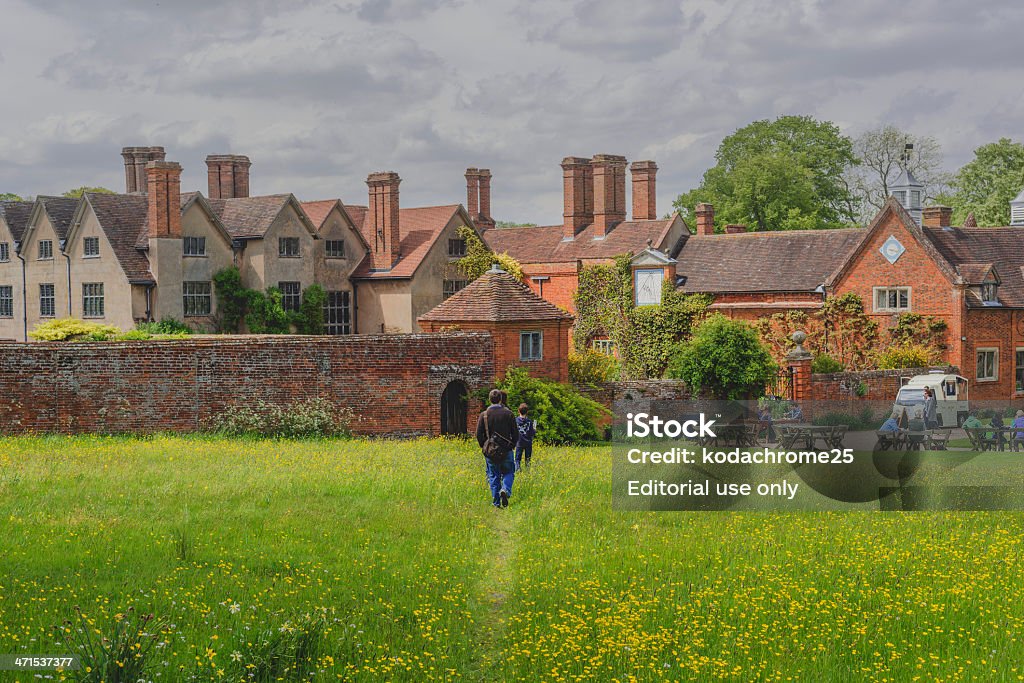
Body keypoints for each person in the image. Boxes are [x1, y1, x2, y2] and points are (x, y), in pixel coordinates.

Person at [476, 389, 517, 508]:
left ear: (490, 400)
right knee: (509, 472)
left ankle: (496, 503)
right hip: (506, 450)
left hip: (491, 451)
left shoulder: (484, 415)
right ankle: (505, 490)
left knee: (493, 476)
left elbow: (479, 435)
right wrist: (511, 445)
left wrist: (485, 446)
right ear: (500, 399)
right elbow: (515, 434)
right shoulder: (508, 413)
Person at [515, 403, 536, 470]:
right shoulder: (529, 421)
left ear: (518, 411)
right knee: (528, 459)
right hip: (528, 443)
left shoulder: (515, 421)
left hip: (519, 442)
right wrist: (534, 430)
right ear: (527, 412)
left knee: (517, 459)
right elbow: (532, 433)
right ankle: (527, 471)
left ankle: (518, 470)